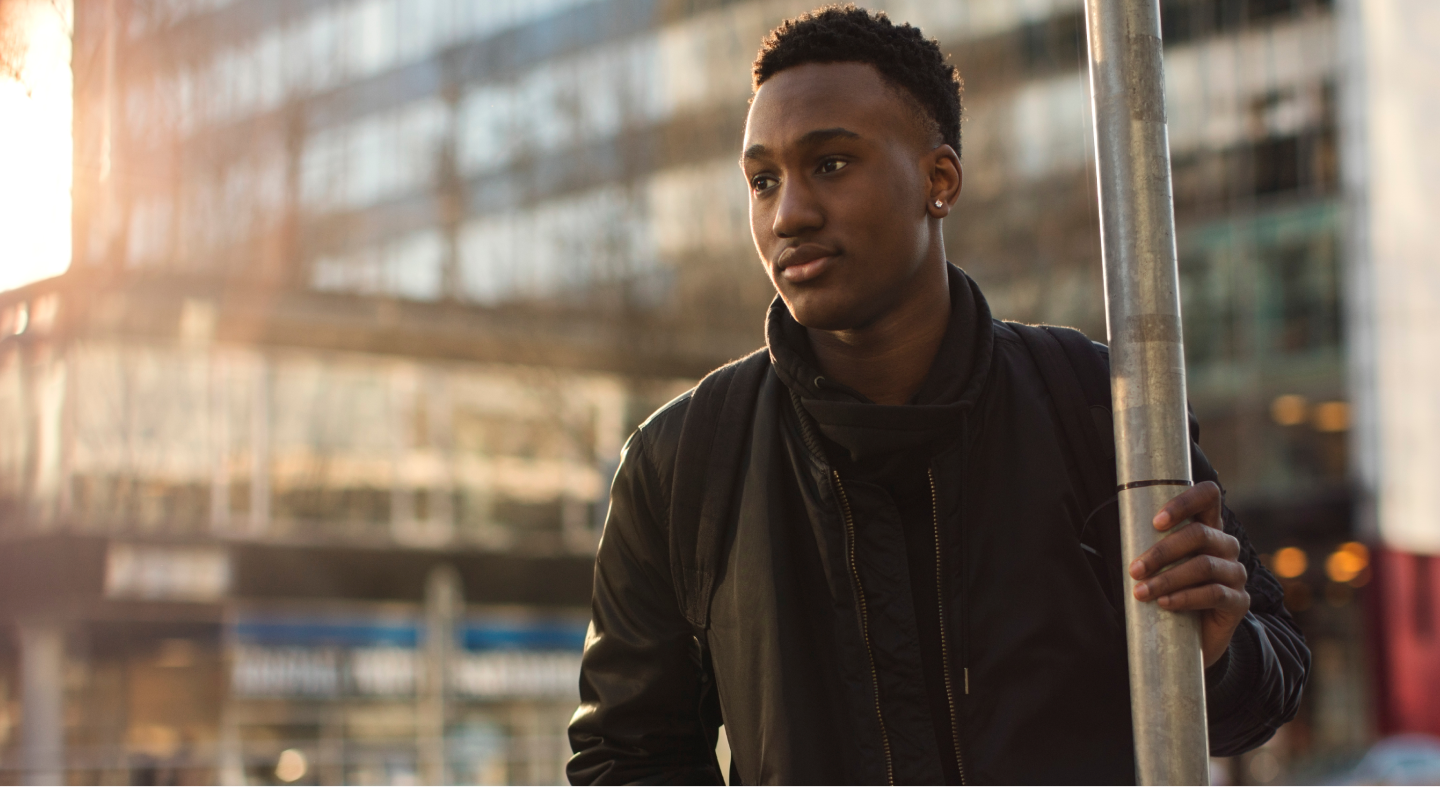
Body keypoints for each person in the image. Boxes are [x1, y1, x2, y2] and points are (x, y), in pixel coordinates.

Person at [567, 6, 1309, 786]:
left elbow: (1270, 682)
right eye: (763, 180)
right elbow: (624, 756)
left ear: (939, 180)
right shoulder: (680, 463)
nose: (788, 214)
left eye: (830, 164)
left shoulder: (1097, 404)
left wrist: (1222, 652)